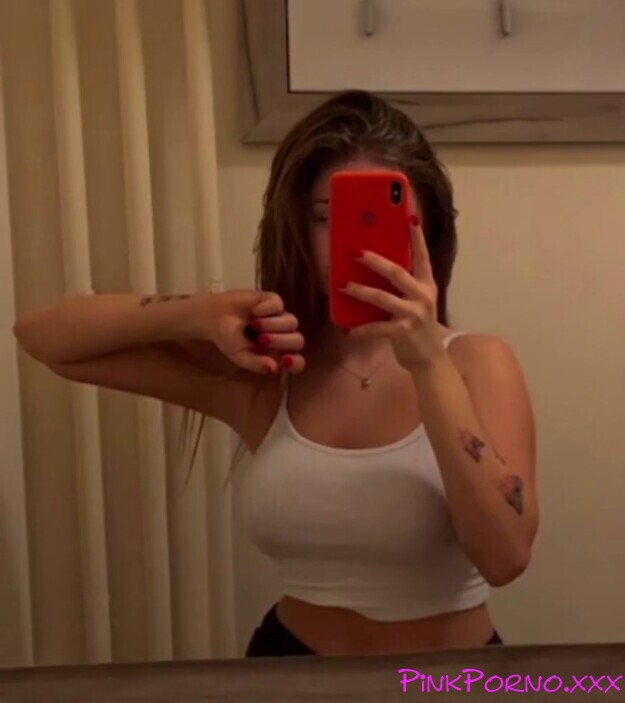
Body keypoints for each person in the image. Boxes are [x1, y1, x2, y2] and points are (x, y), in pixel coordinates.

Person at [13, 90, 538, 658]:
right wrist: (199, 312)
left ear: (426, 230)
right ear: (295, 227)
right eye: (325, 218)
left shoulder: (475, 362)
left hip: (447, 680)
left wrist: (427, 363)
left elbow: (506, 557)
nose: (355, 243)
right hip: (285, 669)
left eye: (386, 219)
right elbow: (45, 337)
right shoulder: (269, 367)